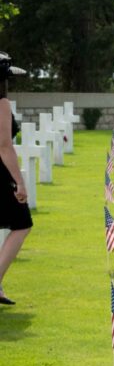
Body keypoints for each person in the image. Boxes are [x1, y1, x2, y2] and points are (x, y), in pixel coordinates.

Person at [0, 53, 33, 306]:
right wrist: (19, 182)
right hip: (0, 173)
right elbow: (4, 147)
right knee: (22, 223)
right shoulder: (1, 103)